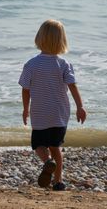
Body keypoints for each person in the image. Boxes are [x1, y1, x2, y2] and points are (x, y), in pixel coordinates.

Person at [19, 19, 87, 191]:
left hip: (40, 113)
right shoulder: (64, 64)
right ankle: (58, 181)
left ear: (39, 38)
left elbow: (25, 89)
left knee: (39, 145)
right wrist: (80, 107)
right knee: (56, 147)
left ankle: (47, 161)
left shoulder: (31, 64)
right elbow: (72, 86)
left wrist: (25, 109)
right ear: (62, 41)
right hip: (59, 114)